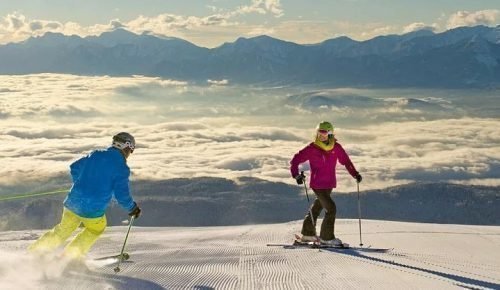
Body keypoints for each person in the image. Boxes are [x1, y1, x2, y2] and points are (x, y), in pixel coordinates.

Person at [29, 132, 142, 262]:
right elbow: (121, 195)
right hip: (92, 211)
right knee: (96, 229)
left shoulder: (95, 155)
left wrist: (81, 183)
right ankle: (70, 257)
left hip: (72, 203)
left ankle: (34, 253)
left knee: (63, 230)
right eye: (130, 150)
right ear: (125, 146)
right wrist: (132, 208)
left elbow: (74, 167)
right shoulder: (122, 168)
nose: (129, 153)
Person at [290, 121, 362, 246]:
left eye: (323, 133)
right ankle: (326, 238)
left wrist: (355, 174)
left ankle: (308, 234)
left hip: (329, 183)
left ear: (330, 133)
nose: (320, 136)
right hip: (317, 184)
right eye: (319, 133)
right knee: (331, 208)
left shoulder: (336, 147)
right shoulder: (312, 148)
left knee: (318, 206)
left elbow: (346, 161)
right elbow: (295, 160)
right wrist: (296, 175)